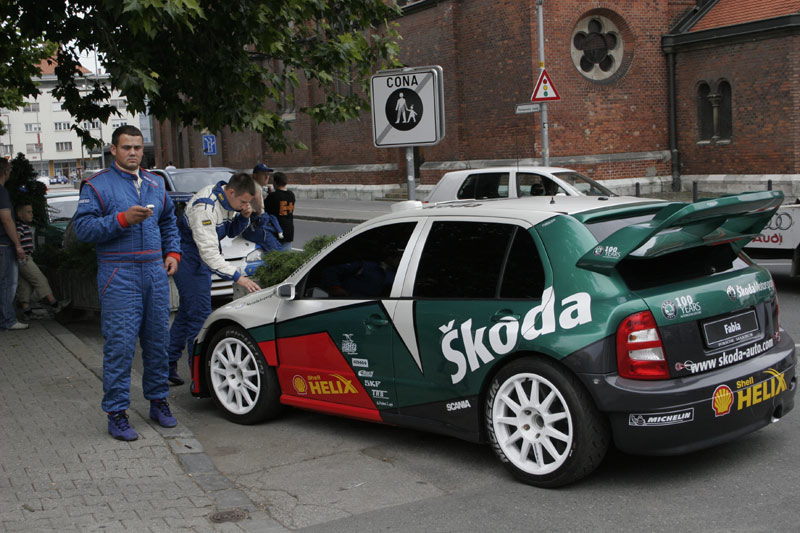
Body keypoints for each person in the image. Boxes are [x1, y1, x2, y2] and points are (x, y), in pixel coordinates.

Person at [73, 125, 182, 441]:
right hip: (118, 273)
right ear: (113, 150)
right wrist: (122, 219)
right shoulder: (97, 185)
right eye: (126, 147)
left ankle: (158, 402)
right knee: (120, 346)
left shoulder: (155, 182)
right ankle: (117, 413)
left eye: (137, 147)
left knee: (158, 341)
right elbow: (83, 229)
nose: (133, 152)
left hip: (154, 272)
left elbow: (169, 221)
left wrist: (173, 252)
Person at [167, 173, 261, 385]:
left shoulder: (227, 200)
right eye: (243, 202)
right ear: (231, 192)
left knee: (187, 313)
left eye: (247, 203)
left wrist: (243, 217)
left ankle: (167, 364)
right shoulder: (205, 207)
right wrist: (239, 278)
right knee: (199, 317)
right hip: (189, 258)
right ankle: (198, 379)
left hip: (197, 258)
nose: (245, 205)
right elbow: (209, 253)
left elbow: (228, 231)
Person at [14, 201, 70, 320]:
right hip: (25, 258)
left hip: (21, 259)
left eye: (31, 212)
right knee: (40, 279)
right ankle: (55, 304)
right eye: (28, 212)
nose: (31, 214)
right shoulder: (20, 226)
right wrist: (19, 249)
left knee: (25, 285)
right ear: (20, 214)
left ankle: (27, 312)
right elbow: (17, 238)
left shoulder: (22, 225)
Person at [0, 158, 28, 331]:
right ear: (5, 171)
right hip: (3, 244)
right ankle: (7, 320)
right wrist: (17, 245)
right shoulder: (2, 192)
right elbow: (6, 219)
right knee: (7, 283)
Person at [265, 172, 295, 251]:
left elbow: (265, 209)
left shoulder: (273, 196)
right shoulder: (291, 194)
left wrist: (269, 195)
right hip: (289, 228)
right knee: (287, 254)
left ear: (275, 182)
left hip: (277, 229)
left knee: (276, 253)